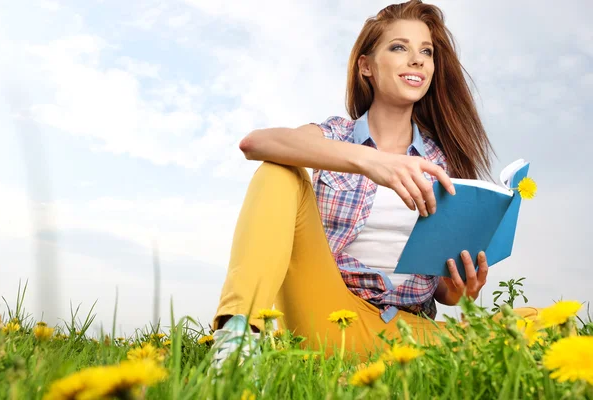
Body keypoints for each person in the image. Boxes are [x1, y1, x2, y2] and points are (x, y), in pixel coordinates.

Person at [208, 0, 539, 367]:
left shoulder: (442, 163)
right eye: (400, 47)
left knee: (536, 324)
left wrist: (462, 290)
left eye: (426, 52)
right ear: (366, 66)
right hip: (330, 314)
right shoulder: (334, 135)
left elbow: (444, 292)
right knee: (280, 171)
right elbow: (256, 144)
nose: (417, 60)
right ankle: (236, 340)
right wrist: (370, 161)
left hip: (410, 335)